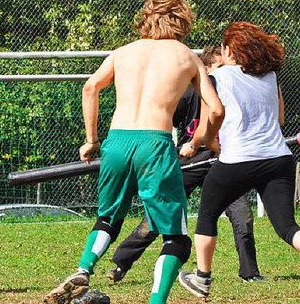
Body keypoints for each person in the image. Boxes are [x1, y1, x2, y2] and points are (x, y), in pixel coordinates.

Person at [42, 0, 225, 304]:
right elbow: (216, 109)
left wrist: (91, 140)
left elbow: (90, 88)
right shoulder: (186, 56)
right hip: (154, 142)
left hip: (117, 141)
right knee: (177, 238)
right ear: (183, 19)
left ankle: (84, 268)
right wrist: (201, 140)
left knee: (108, 217)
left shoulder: (122, 52)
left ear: (145, 17)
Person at [179, 22, 300, 304]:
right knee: (287, 226)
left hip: (237, 159)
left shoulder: (216, 77)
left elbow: (208, 123)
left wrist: (200, 143)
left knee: (207, 213)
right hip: (278, 158)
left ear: (228, 50)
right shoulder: (271, 76)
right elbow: (280, 120)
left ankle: (202, 278)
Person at [105, 46, 265, 285]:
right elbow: (164, 115)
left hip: (223, 160)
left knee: (242, 215)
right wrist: (172, 146)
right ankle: (121, 263)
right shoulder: (191, 92)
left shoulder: (233, 91)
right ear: (208, 69)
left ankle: (249, 272)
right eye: (220, 68)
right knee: (159, 215)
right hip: (191, 161)